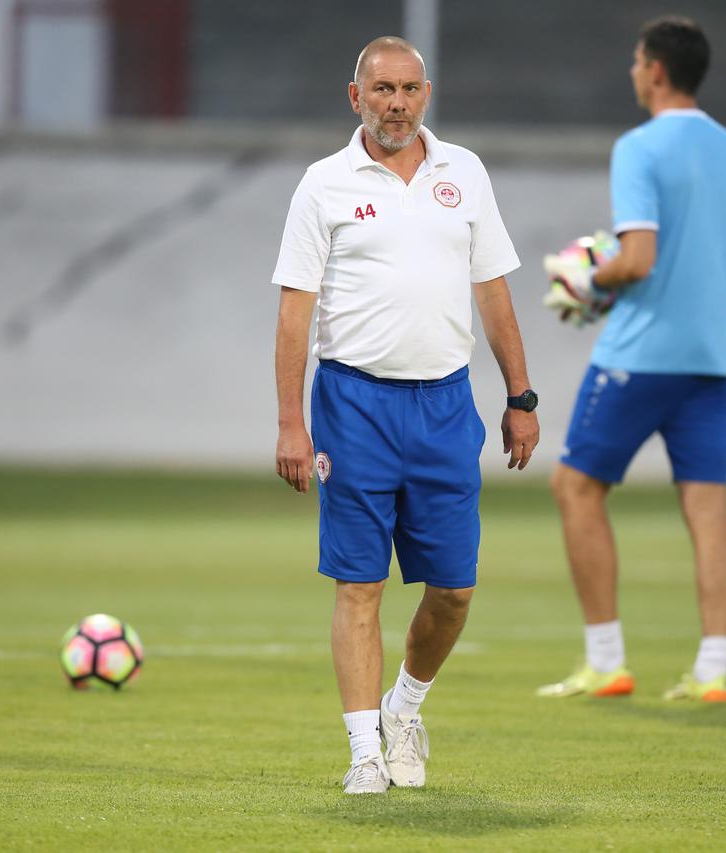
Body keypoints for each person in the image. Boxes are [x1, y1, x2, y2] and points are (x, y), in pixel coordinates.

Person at [272, 36, 539, 794]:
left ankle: (405, 707)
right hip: (354, 403)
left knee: (454, 589)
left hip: (446, 404)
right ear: (354, 96)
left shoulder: (466, 173)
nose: (397, 103)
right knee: (359, 584)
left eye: (410, 89)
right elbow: (296, 312)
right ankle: (364, 752)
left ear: (428, 94)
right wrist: (292, 421)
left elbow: (493, 290)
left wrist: (520, 396)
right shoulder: (323, 185)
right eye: (382, 89)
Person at [537, 17, 726, 703]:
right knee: (707, 505)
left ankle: (606, 659)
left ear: (657, 70)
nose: (634, 71)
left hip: (641, 355)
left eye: (638, 61)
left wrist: (586, 279)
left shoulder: (638, 147)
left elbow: (636, 258)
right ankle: (713, 670)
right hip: (715, 360)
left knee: (576, 487)